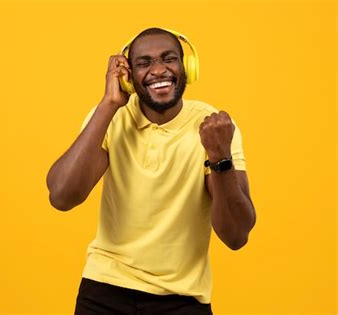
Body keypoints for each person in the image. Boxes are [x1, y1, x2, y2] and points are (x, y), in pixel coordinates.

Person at [46, 27, 256, 315]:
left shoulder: (214, 127)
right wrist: (108, 104)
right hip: (105, 288)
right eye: (144, 63)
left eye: (169, 59)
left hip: (181, 298)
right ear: (128, 76)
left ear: (188, 68)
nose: (158, 70)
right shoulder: (112, 118)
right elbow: (61, 196)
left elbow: (236, 236)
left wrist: (219, 156)